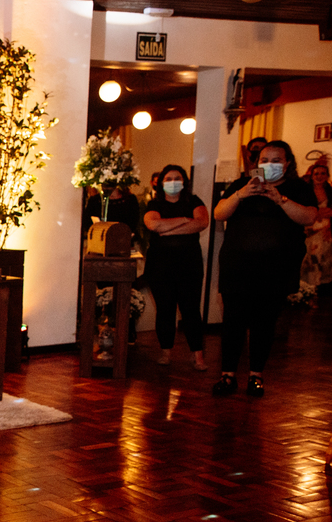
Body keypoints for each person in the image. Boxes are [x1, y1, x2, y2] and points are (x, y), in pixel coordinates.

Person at [212, 140, 317, 397]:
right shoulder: (242, 185)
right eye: (265, 160)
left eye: (276, 161)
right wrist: (240, 194)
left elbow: (309, 217)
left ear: (287, 163)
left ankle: (256, 375)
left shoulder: (298, 188)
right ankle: (228, 375)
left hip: (275, 270)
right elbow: (219, 213)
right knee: (233, 321)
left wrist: (280, 200)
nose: (270, 165)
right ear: (257, 163)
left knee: (264, 323)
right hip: (238, 267)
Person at [142, 165, 209, 370]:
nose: (173, 182)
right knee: (165, 310)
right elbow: (154, 225)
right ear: (161, 183)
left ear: (184, 181)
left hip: (189, 265)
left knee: (191, 310)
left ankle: (197, 355)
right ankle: (165, 352)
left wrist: (168, 228)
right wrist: (184, 220)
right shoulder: (154, 204)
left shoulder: (194, 201)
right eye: (168, 179)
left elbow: (201, 222)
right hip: (160, 266)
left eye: (177, 178)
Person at [299, 160, 331, 287]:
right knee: (312, 257)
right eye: (316, 174)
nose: (319, 176)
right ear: (312, 176)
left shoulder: (330, 191)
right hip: (310, 228)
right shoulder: (305, 191)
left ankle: (323, 284)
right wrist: (318, 213)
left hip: (326, 229)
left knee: (326, 257)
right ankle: (310, 285)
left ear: (327, 176)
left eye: (323, 173)